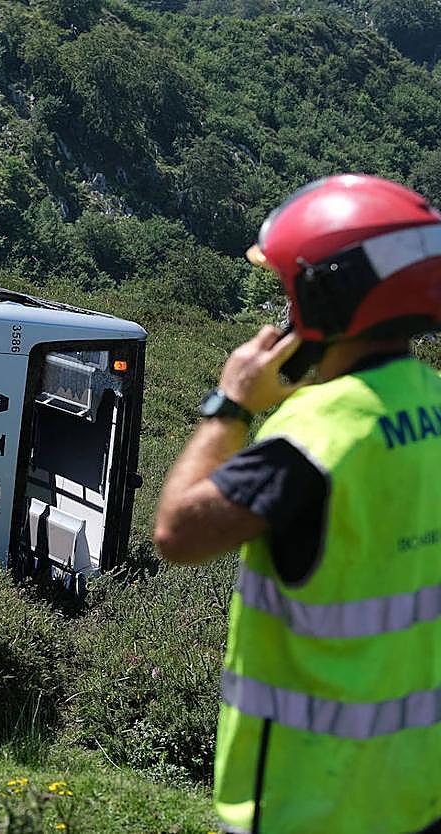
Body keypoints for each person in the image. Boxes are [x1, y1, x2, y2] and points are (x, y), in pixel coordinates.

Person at [152, 174, 441, 834]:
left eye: (289, 290)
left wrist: (230, 406)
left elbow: (177, 533)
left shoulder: (316, 436)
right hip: (416, 791)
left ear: (326, 295)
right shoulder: (433, 403)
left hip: (306, 804)